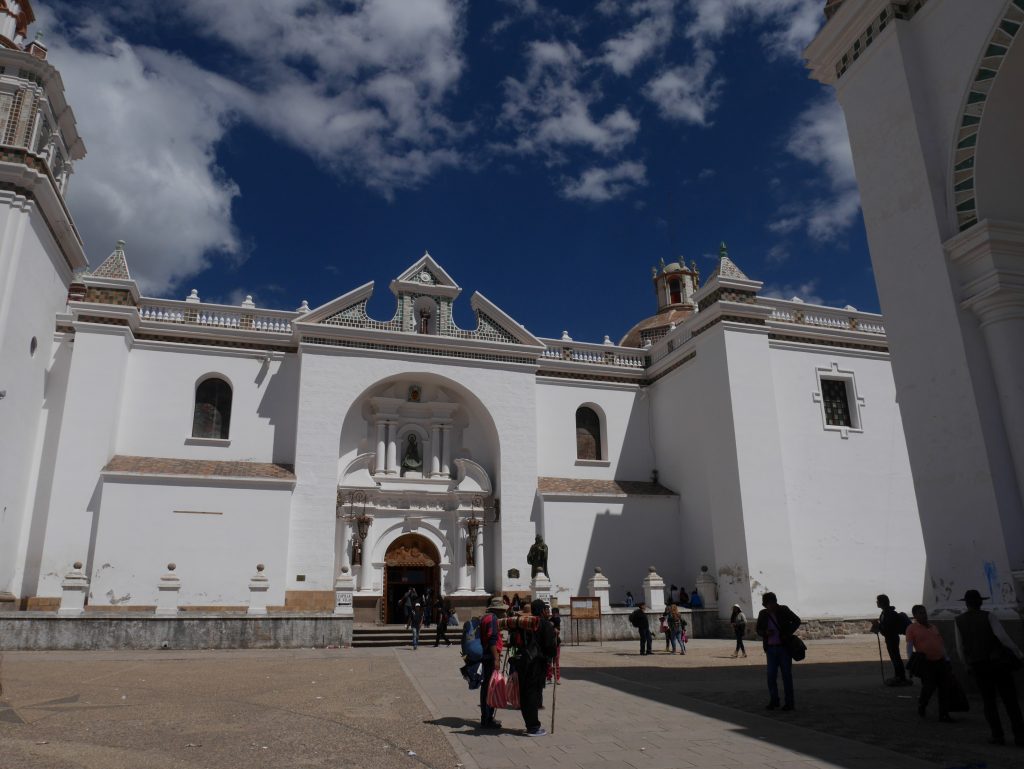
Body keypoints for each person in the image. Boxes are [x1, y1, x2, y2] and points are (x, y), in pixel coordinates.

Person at [954, 589, 1024, 746]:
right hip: (998, 664)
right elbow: (1003, 638)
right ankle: (1019, 736)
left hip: (978, 666)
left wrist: (966, 664)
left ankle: (997, 735)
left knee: (989, 702)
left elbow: (960, 647)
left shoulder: (959, 620)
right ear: (981, 602)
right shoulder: (989, 616)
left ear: (966, 603)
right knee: (1010, 701)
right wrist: (1018, 653)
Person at [500, 599, 557, 737]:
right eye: (546, 609)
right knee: (532, 693)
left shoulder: (521, 624)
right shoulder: (544, 624)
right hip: (536, 663)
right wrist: (552, 656)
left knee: (525, 693)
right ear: (542, 610)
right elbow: (550, 647)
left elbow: (513, 641)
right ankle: (533, 727)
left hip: (521, 661)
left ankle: (530, 724)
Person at [905, 604, 952, 722]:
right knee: (929, 686)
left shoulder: (933, 627)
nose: (924, 615)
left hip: (940, 660)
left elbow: (940, 644)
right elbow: (909, 646)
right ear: (915, 615)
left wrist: (946, 658)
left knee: (944, 687)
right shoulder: (912, 628)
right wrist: (912, 661)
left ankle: (944, 713)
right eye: (920, 613)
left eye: (924, 612)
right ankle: (923, 704)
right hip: (925, 662)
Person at [756, 592, 801, 711]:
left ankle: (789, 703)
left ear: (775, 602)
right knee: (771, 676)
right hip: (770, 649)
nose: (770, 606)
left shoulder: (783, 610)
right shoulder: (763, 614)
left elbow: (797, 621)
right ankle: (774, 700)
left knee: (786, 676)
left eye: (771, 603)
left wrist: (787, 633)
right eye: (767, 604)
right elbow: (758, 629)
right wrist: (765, 633)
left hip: (784, 648)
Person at [478, 597, 507, 729]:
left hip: (485, 656)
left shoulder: (485, 617)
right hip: (490, 657)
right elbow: (492, 639)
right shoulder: (493, 619)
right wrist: (496, 658)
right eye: (502, 610)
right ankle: (487, 718)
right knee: (490, 688)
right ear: (497, 610)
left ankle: (485, 717)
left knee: (486, 688)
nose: (504, 613)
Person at [872, 594, 910, 686]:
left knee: (896, 657)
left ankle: (901, 677)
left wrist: (879, 626)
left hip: (892, 638)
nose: (876, 603)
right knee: (894, 657)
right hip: (889, 638)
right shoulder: (885, 613)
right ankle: (898, 676)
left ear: (882, 602)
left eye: (878, 601)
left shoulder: (890, 614)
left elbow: (889, 628)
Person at [546, 607, 562, 683]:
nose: (555, 614)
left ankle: (557, 678)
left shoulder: (558, 620)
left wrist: (556, 630)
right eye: (553, 613)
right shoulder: (549, 620)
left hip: (556, 643)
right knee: (549, 661)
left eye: (556, 613)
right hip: (550, 643)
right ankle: (549, 677)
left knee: (556, 661)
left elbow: (558, 630)